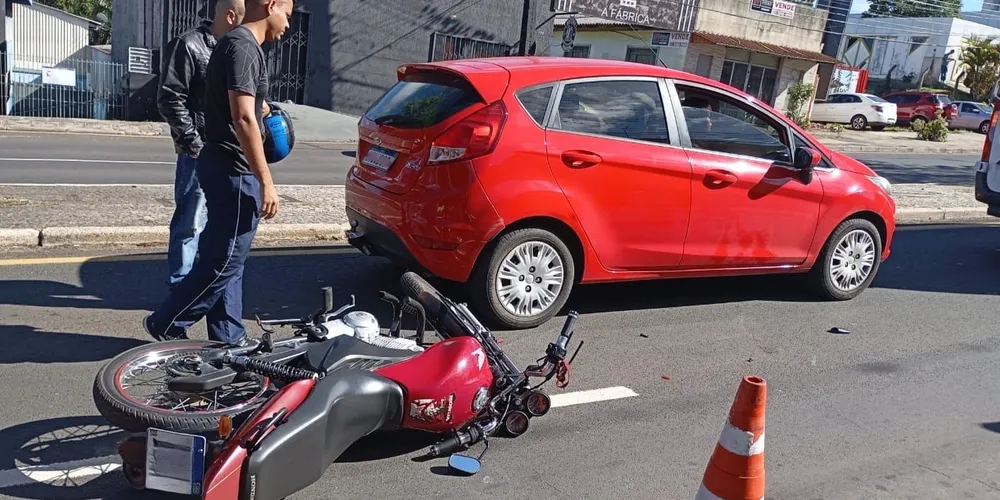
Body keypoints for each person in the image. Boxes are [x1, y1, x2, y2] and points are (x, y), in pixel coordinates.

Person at [144, 0, 293, 347]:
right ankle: (167, 322)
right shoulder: (243, 47)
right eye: (287, 13)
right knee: (224, 260)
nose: (289, 23)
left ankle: (228, 337)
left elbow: (239, 107)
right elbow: (243, 119)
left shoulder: (231, 44)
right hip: (234, 169)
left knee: (229, 258)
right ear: (270, 5)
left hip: (220, 164)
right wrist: (265, 180)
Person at [156, 0, 246, 289]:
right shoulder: (189, 45)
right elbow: (170, 98)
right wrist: (195, 144)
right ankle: (180, 289)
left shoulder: (237, 50)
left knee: (218, 225)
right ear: (231, 16)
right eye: (247, 17)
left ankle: (203, 287)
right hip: (200, 152)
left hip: (228, 153)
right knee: (190, 223)